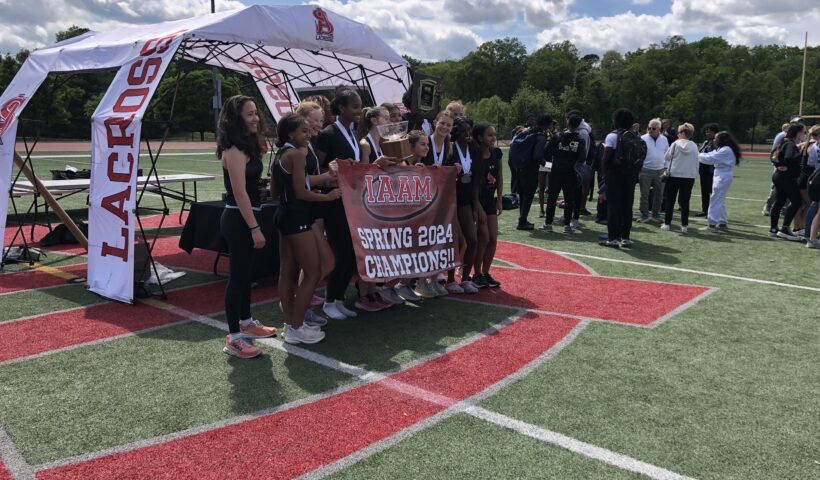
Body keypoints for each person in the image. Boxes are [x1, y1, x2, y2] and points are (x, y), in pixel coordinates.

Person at [272, 114, 342, 344]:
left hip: (285, 215)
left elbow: (274, 191)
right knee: (312, 272)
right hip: (298, 217)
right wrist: (329, 197)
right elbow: (301, 192)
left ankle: (291, 324)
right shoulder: (297, 154)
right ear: (291, 134)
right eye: (304, 131)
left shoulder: (282, 154)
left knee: (287, 271)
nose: (309, 134)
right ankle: (295, 327)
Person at [217, 95, 278, 359]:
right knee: (238, 278)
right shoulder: (233, 150)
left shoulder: (247, 148)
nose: (255, 118)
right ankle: (234, 338)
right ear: (236, 119)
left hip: (249, 215)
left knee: (245, 276)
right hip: (239, 219)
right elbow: (239, 193)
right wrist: (254, 228)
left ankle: (246, 322)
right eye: (249, 114)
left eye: (256, 113)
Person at [315, 87, 364, 320]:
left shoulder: (353, 133)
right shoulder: (328, 133)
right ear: (342, 108)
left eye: (360, 105)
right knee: (342, 253)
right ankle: (328, 301)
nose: (359, 110)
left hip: (350, 202)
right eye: (354, 106)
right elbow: (313, 169)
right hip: (333, 203)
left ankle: (339, 298)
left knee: (352, 254)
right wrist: (331, 175)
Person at [356, 106, 402, 310]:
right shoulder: (365, 144)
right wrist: (378, 163)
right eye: (385, 118)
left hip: (380, 202)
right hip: (366, 203)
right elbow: (362, 174)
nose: (390, 122)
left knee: (376, 249)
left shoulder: (383, 143)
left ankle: (372, 290)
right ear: (374, 120)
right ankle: (363, 293)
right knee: (367, 248)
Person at [294, 101, 337, 314]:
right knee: (323, 263)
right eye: (316, 120)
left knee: (318, 263)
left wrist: (327, 179)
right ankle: (299, 300)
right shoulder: (299, 147)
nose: (320, 124)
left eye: (321, 120)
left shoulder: (310, 143)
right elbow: (301, 181)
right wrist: (327, 177)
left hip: (313, 205)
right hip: (305, 208)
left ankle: (303, 297)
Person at [600, 108, 641, 248]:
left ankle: (613, 238)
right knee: (627, 206)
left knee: (613, 206)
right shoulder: (635, 136)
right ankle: (625, 237)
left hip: (615, 174)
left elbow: (606, 158)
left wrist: (604, 174)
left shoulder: (613, 136)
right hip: (630, 175)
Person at [447, 116, 480, 294]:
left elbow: (475, 181)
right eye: (463, 130)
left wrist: (475, 207)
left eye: (469, 129)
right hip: (451, 201)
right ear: (456, 131)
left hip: (466, 201)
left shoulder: (473, 148)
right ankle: (451, 279)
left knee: (472, 240)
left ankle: (466, 278)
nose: (467, 133)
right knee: (457, 241)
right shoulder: (450, 148)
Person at [540, 114, 586, 233]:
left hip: (556, 171)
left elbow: (546, 151)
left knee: (552, 198)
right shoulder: (580, 139)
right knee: (569, 199)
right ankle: (567, 225)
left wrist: (549, 165)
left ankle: (548, 224)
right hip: (570, 172)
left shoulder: (558, 136)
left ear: (568, 123)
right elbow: (582, 157)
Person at [472, 122, 503, 288]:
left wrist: (499, 200)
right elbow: (473, 185)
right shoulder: (474, 155)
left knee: (493, 238)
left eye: (494, 134)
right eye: (489, 135)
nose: (493, 138)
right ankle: (475, 273)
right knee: (483, 238)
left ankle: (485, 272)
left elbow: (499, 176)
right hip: (477, 201)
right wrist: (477, 206)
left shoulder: (496, 154)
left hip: (490, 200)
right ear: (480, 137)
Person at [697, 131, 742, 232]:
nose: (714, 140)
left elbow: (710, 158)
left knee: (715, 199)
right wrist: (698, 153)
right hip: (721, 175)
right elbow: (709, 154)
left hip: (722, 175)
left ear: (722, 140)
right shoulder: (722, 149)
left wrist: (695, 155)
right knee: (719, 200)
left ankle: (711, 224)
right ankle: (722, 223)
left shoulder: (725, 150)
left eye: (716, 138)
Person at [768, 123, 806, 240]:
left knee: (780, 201)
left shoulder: (783, 142)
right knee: (797, 202)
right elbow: (790, 157)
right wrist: (798, 159)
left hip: (779, 176)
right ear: (797, 133)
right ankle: (785, 228)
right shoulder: (790, 144)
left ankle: (773, 228)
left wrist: (779, 164)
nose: (804, 134)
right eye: (803, 132)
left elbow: (772, 156)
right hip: (786, 177)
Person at [661, 123, 699, 233]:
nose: (677, 134)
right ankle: (684, 226)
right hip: (689, 176)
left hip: (674, 175)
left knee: (670, 201)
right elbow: (697, 162)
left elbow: (666, 157)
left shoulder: (675, 144)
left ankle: (667, 223)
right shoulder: (694, 145)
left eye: (679, 132)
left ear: (682, 133)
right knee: (685, 202)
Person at [516, 115, 552, 230]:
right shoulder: (541, 136)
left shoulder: (528, 132)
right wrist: (548, 165)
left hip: (520, 167)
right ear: (548, 125)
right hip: (530, 169)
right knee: (529, 195)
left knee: (522, 195)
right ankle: (523, 221)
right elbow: (537, 156)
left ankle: (522, 219)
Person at [638, 118, 669, 223]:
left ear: (659, 129)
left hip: (660, 170)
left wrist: (666, 168)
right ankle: (644, 214)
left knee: (659, 194)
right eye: (649, 128)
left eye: (653, 128)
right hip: (645, 170)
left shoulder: (664, 139)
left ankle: (656, 214)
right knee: (644, 194)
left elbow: (667, 154)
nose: (651, 130)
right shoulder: (642, 138)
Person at [794, 125, 819, 234]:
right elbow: (811, 163)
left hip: (803, 177)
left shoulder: (807, 144)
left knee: (804, 204)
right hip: (809, 178)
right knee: (810, 205)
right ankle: (803, 228)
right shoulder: (813, 145)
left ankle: (800, 227)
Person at [763, 123, 793, 216]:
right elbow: (774, 151)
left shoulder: (800, 136)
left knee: (791, 187)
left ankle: (784, 208)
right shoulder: (782, 135)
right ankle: (768, 205)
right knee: (776, 187)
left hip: (792, 167)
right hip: (781, 166)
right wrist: (777, 164)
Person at [696, 123, 719, 217]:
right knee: (704, 191)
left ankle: (712, 212)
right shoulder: (706, 142)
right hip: (703, 170)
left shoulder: (716, 143)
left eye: (710, 131)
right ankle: (705, 210)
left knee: (712, 192)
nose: (707, 133)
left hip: (712, 171)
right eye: (706, 131)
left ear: (715, 133)